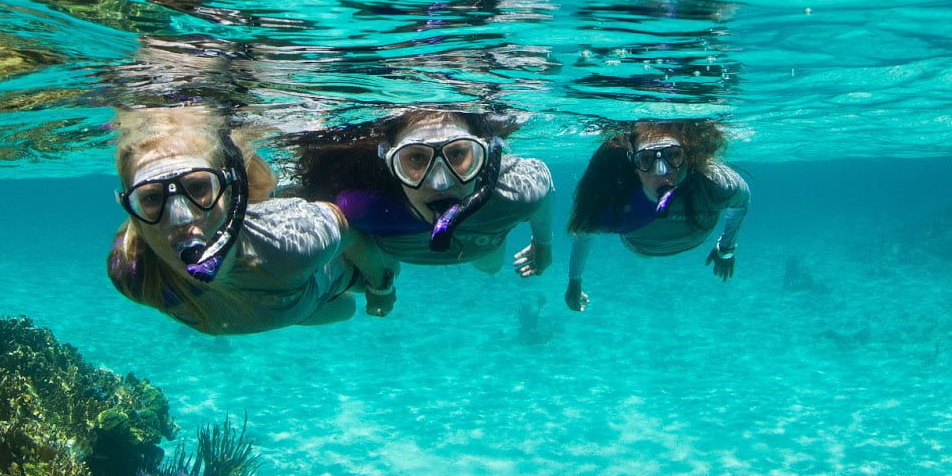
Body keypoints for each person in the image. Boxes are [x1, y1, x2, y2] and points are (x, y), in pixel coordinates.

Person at [106, 105, 382, 335]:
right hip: (292, 307)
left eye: (199, 188)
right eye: (152, 199)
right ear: (130, 206)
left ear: (230, 190)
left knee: (354, 295)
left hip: (311, 287)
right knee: (341, 310)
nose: (180, 218)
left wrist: (383, 288)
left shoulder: (290, 241)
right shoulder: (131, 267)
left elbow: (353, 232)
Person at [293, 108, 554, 316]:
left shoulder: (514, 195)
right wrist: (379, 284)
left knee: (490, 268)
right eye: (416, 158)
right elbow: (349, 236)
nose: (440, 183)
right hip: (405, 249)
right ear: (391, 164)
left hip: (487, 247)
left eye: (458, 154)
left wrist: (543, 243)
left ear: (483, 156)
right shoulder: (366, 209)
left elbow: (543, 186)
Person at [564, 120, 748, 311]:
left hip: (651, 243)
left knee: (643, 257)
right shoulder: (619, 200)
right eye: (646, 160)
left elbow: (743, 200)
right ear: (634, 166)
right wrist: (574, 282)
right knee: (643, 258)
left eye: (673, 156)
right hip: (642, 247)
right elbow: (583, 231)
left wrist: (727, 247)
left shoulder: (712, 183)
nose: (662, 171)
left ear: (687, 157)